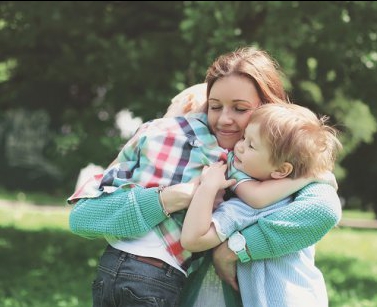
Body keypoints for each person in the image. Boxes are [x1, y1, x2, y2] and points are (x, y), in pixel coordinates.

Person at [67, 47, 342, 307]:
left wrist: (234, 250)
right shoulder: (184, 151)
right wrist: (171, 197)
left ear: (268, 110)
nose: (224, 119)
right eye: (214, 106)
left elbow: (322, 210)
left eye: (240, 109)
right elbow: (83, 216)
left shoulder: (292, 164)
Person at [181, 103, 342, 307]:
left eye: (251, 145)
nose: (238, 147)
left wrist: (208, 186)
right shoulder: (297, 199)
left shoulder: (248, 208)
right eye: (243, 138)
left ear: (281, 170)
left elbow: (193, 239)